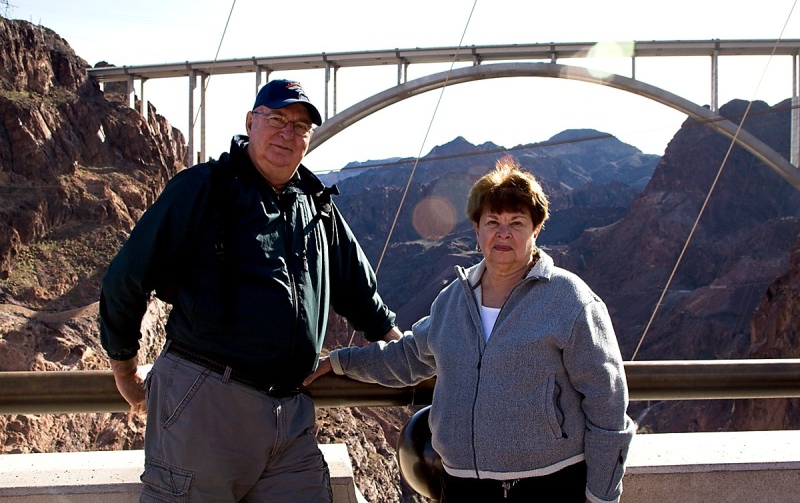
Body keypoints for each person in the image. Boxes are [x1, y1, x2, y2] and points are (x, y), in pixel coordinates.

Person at [99, 78, 402, 502]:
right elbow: (126, 277)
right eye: (276, 119)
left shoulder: (314, 203)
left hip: (291, 414)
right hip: (205, 405)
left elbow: (357, 289)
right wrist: (125, 371)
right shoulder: (202, 189)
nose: (287, 133)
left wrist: (401, 350)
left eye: (300, 127)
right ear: (250, 122)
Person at [305, 158, 636, 503]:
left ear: (536, 230)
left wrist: (601, 495)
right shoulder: (454, 301)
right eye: (492, 221)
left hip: (549, 483)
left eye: (516, 222)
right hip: (462, 484)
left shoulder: (570, 300)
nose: (503, 232)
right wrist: (341, 362)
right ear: (477, 230)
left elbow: (607, 403)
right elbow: (406, 357)